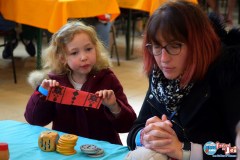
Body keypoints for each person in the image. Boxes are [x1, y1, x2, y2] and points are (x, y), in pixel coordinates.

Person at [127, 1, 240, 160]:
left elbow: (233, 150)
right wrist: (145, 135)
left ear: (197, 44)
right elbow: (134, 132)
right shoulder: (159, 76)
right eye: (157, 46)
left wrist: (184, 150)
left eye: (175, 46)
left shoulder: (227, 75)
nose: (164, 59)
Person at [24, 20, 136, 145]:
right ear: (62, 58)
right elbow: (34, 120)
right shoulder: (54, 83)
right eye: (74, 53)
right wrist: (43, 93)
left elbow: (128, 125)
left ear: (96, 49)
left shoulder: (107, 79)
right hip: (68, 151)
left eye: (88, 49)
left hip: (103, 152)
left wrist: (114, 106)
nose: (84, 57)